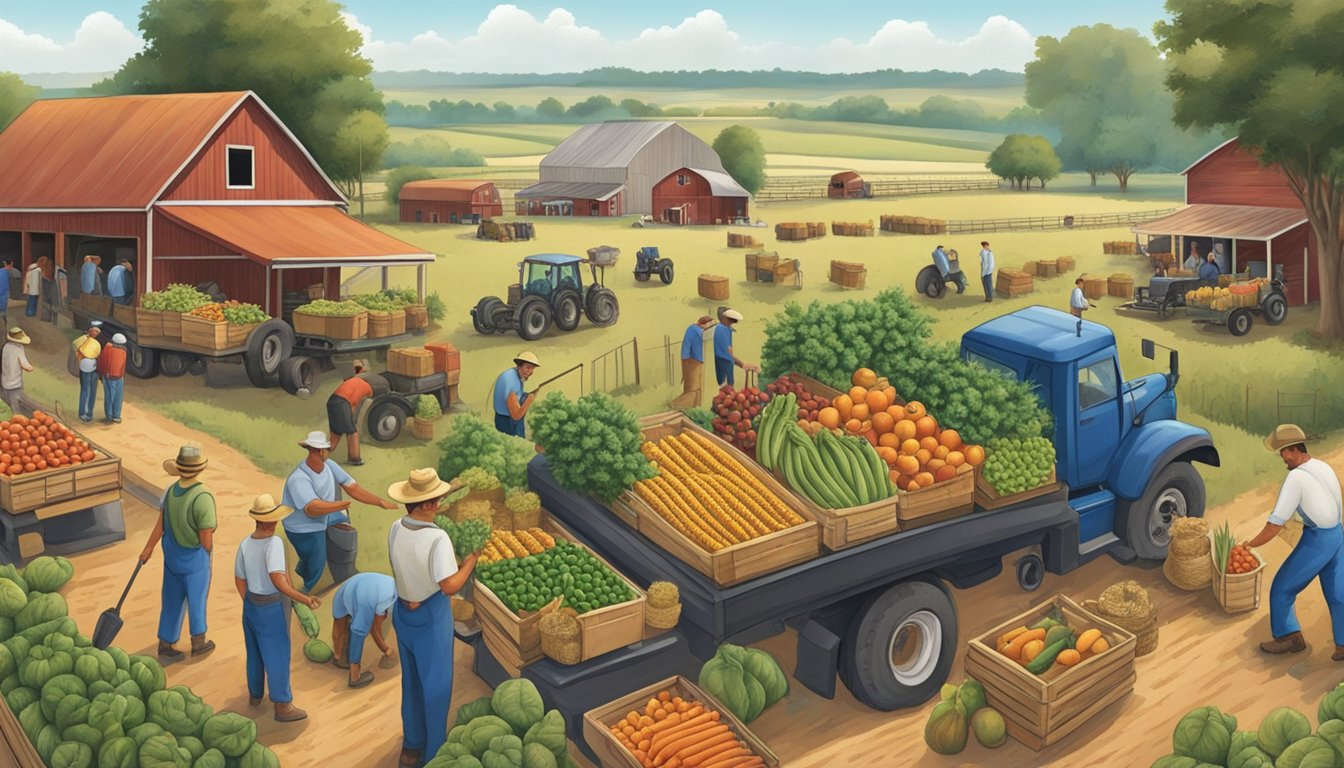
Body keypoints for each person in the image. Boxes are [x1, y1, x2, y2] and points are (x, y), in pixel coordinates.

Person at [387, 468, 479, 766]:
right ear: (427, 504)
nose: (440, 503)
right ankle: (435, 755)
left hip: (402, 611)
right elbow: (449, 585)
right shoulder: (437, 538)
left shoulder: (395, 527)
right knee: (436, 687)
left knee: (412, 681)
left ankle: (411, 746)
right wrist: (471, 561)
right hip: (430, 613)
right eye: (437, 499)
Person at [1243, 425, 1344, 658]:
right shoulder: (1322, 466)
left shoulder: (1295, 478)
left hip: (1319, 539)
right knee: (1338, 592)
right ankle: (1342, 642)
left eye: (1283, 451)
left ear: (1293, 449)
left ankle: (1289, 637)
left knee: (1282, 587)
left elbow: (1274, 524)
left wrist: (1251, 544)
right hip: (1338, 534)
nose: (1282, 457)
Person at [235, 493, 321, 722]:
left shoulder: (245, 544)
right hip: (271, 606)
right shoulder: (273, 544)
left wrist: (249, 602)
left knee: (254, 652)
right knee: (277, 654)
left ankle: (255, 696)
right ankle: (282, 704)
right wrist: (303, 598)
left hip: (252, 604)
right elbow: (278, 580)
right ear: (266, 521)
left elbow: (240, 579)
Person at [281, 431, 397, 594]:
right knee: (316, 561)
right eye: (327, 449)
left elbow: (352, 488)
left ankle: (345, 571)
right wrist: (340, 505)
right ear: (321, 452)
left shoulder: (330, 466)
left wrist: (379, 502)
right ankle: (307, 589)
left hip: (325, 515)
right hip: (303, 525)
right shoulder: (298, 479)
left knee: (344, 532)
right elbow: (312, 509)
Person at [139, 444, 217, 662]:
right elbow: (206, 537)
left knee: (172, 598)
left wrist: (148, 549)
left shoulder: (170, 492)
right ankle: (198, 641)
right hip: (194, 558)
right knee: (197, 597)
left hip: (172, 556)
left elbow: (160, 524)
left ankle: (166, 642)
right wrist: (207, 552)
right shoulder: (203, 496)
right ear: (200, 468)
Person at [331, 572, 397, 688]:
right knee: (359, 630)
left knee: (340, 625)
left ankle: (338, 656)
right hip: (367, 596)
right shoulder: (389, 599)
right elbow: (374, 628)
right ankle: (355, 676)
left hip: (347, 587)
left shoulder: (393, 585)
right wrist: (387, 650)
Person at [329, 359, 373, 465]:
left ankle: (320, 455)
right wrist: (352, 420)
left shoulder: (350, 381)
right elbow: (353, 404)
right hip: (342, 402)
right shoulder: (367, 387)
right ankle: (354, 459)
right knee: (352, 432)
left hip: (331, 401)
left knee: (335, 433)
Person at [491, 352, 540, 438]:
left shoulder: (514, 373)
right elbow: (516, 416)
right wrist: (530, 399)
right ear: (519, 365)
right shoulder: (511, 382)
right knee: (518, 445)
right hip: (507, 422)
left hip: (504, 417)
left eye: (532, 368)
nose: (530, 371)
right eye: (528, 367)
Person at [713, 309, 758, 387]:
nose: (731, 323)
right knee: (725, 387)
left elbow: (729, 352)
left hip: (728, 363)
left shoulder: (726, 329)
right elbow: (726, 353)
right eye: (730, 320)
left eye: (733, 321)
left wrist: (742, 364)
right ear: (724, 318)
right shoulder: (720, 329)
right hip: (723, 364)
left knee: (729, 386)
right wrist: (742, 364)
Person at [679, 316, 715, 407]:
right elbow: (687, 346)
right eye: (709, 324)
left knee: (698, 387)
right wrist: (686, 359)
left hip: (696, 360)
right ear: (704, 323)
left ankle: (696, 405)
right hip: (691, 360)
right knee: (693, 387)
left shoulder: (698, 330)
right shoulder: (694, 330)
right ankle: (677, 405)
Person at [73, 321, 102, 423]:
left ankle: (89, 413)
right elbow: (75, 347)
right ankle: (82, 413)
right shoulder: (83, 340)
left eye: (98, 332)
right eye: (95, 331)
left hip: (94, 368)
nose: (96, 333)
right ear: (90, 331)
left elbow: (98, 354)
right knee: (85, 390)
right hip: (85, 367)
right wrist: (80, 357)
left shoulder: (96, 343)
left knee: (93, 390)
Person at [1, 327, 33, 415]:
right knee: (16, 408)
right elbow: (25, 365)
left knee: (8, 404)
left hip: (5, 382)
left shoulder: (6, 347)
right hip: (15, 383)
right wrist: (31, 368)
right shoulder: (19, 348)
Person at [99, 332, 127, 423]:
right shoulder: (124, 351)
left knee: (109, 396)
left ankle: (109, 416)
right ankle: (116, 416)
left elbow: (104, 361)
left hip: (109, 376)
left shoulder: (108, 349)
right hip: (119, 377)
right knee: (118, 396)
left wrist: (102, 373)